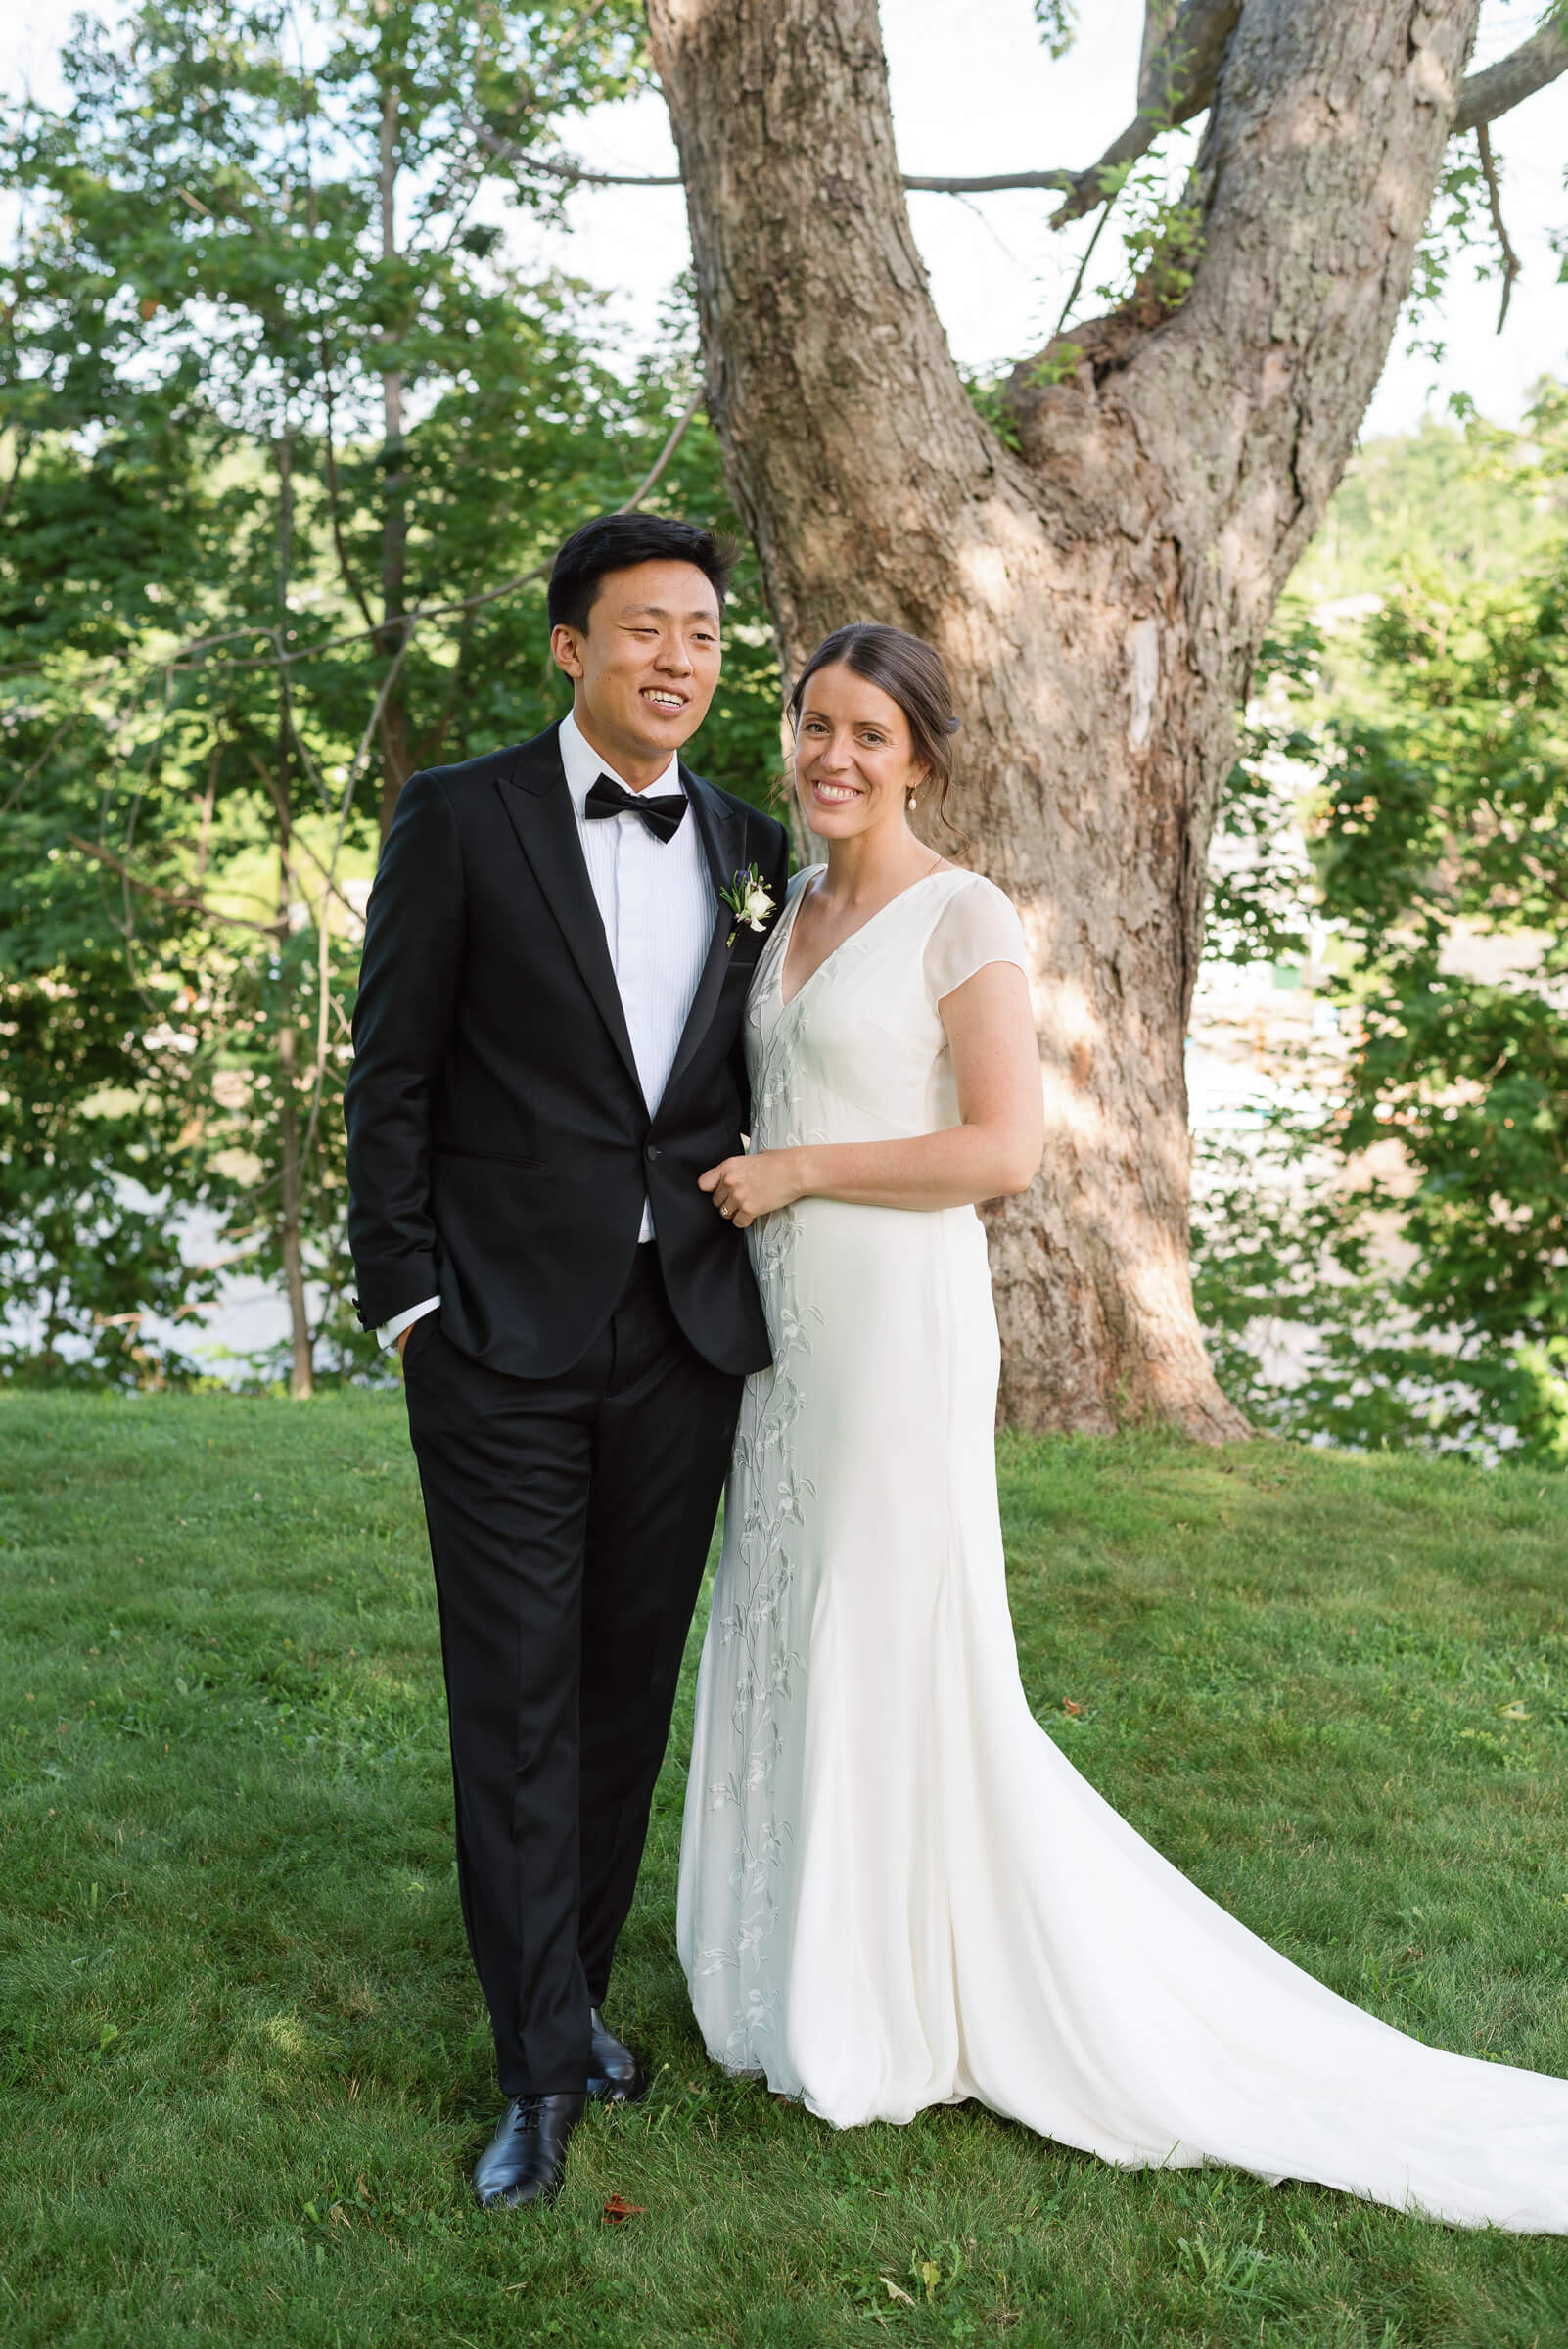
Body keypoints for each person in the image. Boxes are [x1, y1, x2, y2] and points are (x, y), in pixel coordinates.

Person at [677, 620, 1568, 2233]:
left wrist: (802, 1172)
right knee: (790, 1608)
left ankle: (893, 1995)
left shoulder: (963, 918)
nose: (833, 756)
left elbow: (1003, 1149)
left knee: (885, 1624)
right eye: (814, 724)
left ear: (921, 758)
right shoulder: (784, 906)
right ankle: (779, 1964)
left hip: (891, 1314)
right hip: (781, 1331)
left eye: (869, 733)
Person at [344, 511, 790, 2208]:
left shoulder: (752, 844)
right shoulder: (460, 818)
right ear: (567, 646)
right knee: (514, 1698)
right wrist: (409, 1306)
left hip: (681, 1334)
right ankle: (539, 2073)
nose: (673, 659)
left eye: (698, 633)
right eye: (639, 630)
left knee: (621, 1693)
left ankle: (573, 2002)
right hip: (497, 1342)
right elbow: (390, 1078)